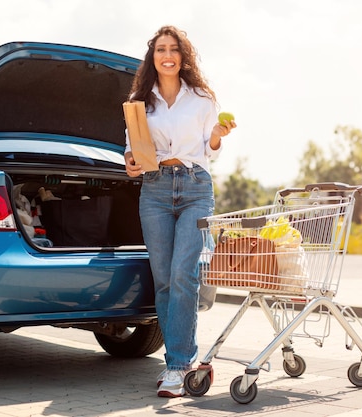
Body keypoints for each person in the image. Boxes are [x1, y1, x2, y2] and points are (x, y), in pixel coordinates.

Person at [124, 25, 236, 397]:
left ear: (183, 57)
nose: (167, 55)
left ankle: (178, 365)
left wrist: (219, 134)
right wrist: (131, 162)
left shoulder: (202, 99)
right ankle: (179, 360)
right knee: (166, 281)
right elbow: (131, 149)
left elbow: (211, 148)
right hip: (154, 190)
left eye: (173, 49)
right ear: (152, 57)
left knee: (184, 274)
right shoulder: (140, 101)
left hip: (195, 188)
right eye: (160, 50)